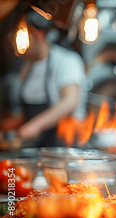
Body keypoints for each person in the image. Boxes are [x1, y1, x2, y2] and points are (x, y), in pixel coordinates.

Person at [0, 8, 87, 147]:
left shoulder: (67, 61)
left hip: (64, 144)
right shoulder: (26, 68)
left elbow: (70, 102)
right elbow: (30, 111)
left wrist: (35, 126)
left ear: (38, 35)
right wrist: (12, 124)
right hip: (34, 146)